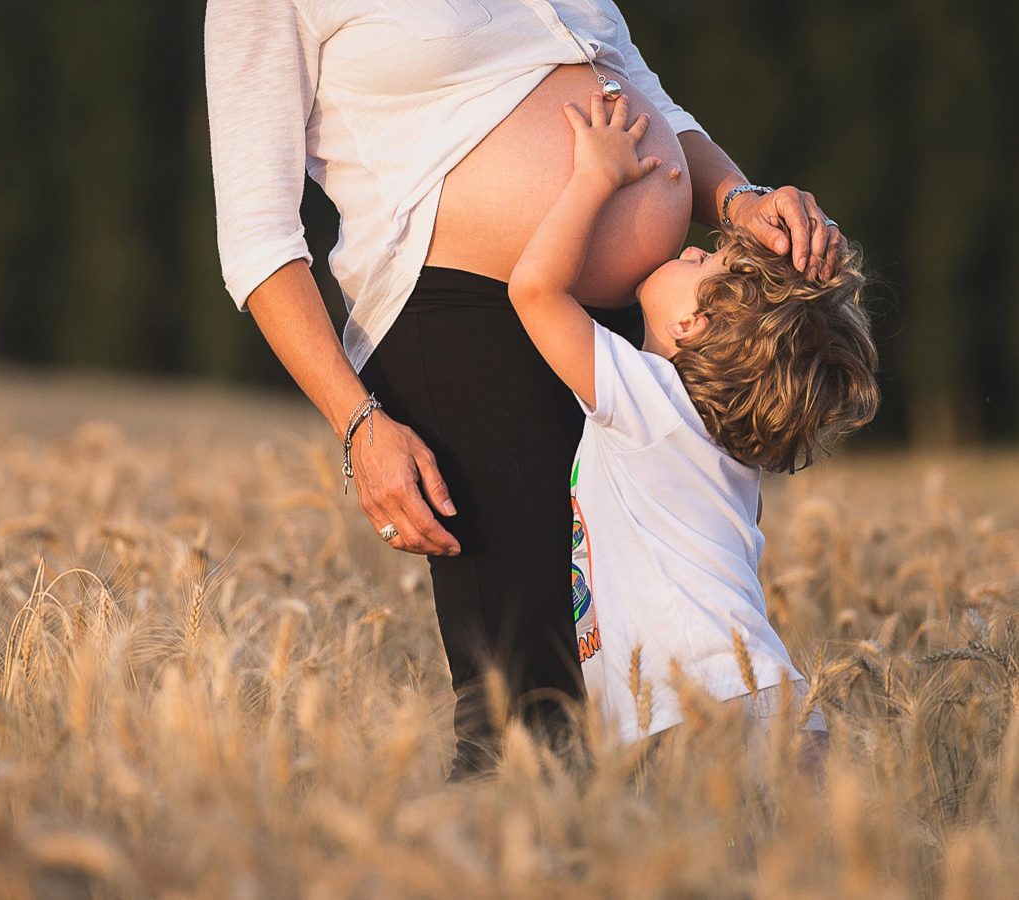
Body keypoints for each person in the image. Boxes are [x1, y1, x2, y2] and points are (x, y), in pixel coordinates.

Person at [205, 0, 847, 774]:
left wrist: (738, 202)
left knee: (641, 677)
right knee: (525, 715)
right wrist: (358, 421)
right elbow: (257, 234)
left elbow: (636, 90)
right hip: (463, 315)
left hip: (625, 327)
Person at [506, 92, 878, 746]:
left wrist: (597, 177)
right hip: (763, 697)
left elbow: (534, 291)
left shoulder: (645, 396)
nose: (689, 251)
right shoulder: (727, 444)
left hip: (698, 710)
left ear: (690, 325)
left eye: (702, 264)